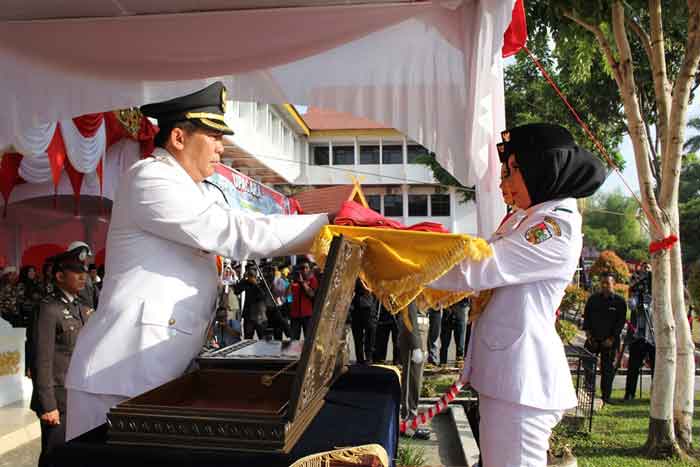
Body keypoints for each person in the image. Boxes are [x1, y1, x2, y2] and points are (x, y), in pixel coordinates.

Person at [65, 82, 331, 440]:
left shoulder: (193, 190)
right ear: (178, 137)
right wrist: (327, 226)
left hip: (154, 370)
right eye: (213, 136)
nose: (221, 148)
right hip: (120, 373)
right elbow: (236, 232)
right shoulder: (149, 178)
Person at [429, 123, 606, 466]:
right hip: (508, 378)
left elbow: (476, 268)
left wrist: (400, 260)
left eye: (513, 170)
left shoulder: (554, 227)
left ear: (543, 169)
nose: (503, 182)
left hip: (522, 384)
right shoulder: (523, 219)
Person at [30, 250, 92, 467]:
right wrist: (48, 405)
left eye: (84, 272)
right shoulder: (49, 308)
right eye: (76, 272)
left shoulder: (80, 307)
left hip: (77, 396)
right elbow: (42, 359)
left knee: (74, 455)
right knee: (53, 456)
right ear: (59, 276)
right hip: (58, 399)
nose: (83, 276)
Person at [582, 274, 627, 404]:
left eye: (607, 283)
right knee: (588, 366)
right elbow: (587, 319)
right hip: (593, 340)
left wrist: (612, 338)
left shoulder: (620, 302)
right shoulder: (593, 299)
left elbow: (620, 323)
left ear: (614, 284)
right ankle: (589, 393)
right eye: (602, 283)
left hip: (610, 342)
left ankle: (606, 397)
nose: (604, 286)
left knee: (607, 370)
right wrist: (589, 336)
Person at [397, 302, 430, 439]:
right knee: (412, 381)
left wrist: (424, 345)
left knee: (416, 381)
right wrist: (416, 345)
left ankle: (411, 419)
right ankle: (407, 422)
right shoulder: (413, 283)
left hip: (420, 334)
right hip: (413, 337)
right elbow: (410, 313)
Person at [624, 270, 655, 400]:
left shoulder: (662, 295)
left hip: (655, 338)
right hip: (639, 336)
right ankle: (630, 393)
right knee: (633, 367)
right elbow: (631, 305)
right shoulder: (639, 295)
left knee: (656, 369)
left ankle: (656, 395)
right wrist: (633, 291)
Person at [289, 259, 318, 339]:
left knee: (308, 339)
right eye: (302, 268)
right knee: (294, 340)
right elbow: (288, 297)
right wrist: (289, 285)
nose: (304, 270)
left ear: (309, 269)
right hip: (295, 315)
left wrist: (302, 282)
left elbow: (311, 294)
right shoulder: (294, 280)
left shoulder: (312, 280)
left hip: (307, 315)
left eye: (306, 267)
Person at [65, 241, 99, 309]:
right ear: (81, 255)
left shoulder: (85, 273)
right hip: (79, 312)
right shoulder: (72, 273)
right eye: (87, 256)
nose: (88, 259)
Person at [350, 280, 377, 364]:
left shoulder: (369, 275)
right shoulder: (356, 276)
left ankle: (369, 357)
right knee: (357, 335)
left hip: (368, 309)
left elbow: (369, 290)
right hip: (356, 308)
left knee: (370, 333)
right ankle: (360, 358)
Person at [439, 299, 468, 366]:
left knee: (460, 342)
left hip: (461, 308)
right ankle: (443, 363)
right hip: (448, 308)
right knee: (445, 342)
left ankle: (459, 363)